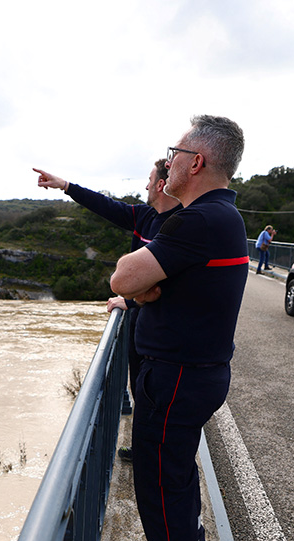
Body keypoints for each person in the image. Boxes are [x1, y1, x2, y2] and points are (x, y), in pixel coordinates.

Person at [108, 114, 250, 541]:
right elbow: (144, 286)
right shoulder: (221, 217)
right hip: (194, 375)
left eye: (175, 152)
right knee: (177, 477)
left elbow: (125, 275)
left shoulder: (197, 220)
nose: (168, 161)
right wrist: (143, 290)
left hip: (177, 378)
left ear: (197, 162)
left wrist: (137, 288)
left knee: (162, 482)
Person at [33, 161, 181, 462]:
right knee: (140, 387)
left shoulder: (178, 224)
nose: (145, 186)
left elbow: (170, 283)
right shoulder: (145, 216)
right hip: (140, 321)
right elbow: (106, 206)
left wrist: (129, 301)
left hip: (161, 328)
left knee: (156, 395)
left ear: (161, 185)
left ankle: (157, 455)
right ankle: (144, 449)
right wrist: (66, 186)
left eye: (149, 180)